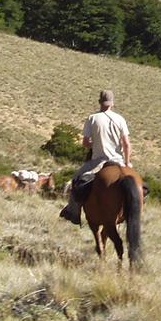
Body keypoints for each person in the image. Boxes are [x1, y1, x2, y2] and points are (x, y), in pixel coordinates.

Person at [59, 89, 131, 225]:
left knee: (76, 180)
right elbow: (126, 144)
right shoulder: (120, 119)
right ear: (112, 103)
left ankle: (73, 211)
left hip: (99, 161)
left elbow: (85, 143)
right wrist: (127, 162)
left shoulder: (92, 118)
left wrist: (96, 142)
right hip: (119, 161)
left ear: (99, 102)